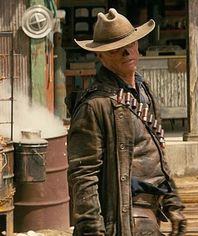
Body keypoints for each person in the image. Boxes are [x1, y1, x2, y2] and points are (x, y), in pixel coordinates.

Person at [66, 8, 187, 236]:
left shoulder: (143, 92)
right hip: (121, 221)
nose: (127, 52)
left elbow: (156, 154)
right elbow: (83, 175)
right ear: (100, 56)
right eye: (115, 49)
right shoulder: (94, 105)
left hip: (150, 217)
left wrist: (173, 203)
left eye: (130, 43)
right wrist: (93, 230)